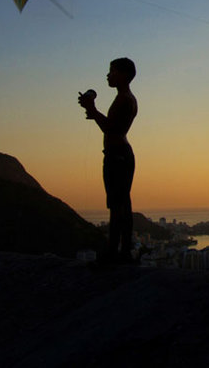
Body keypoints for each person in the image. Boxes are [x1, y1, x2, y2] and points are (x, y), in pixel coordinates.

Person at [78, 58, 138, 264]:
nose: (108, 75)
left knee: (117, 206)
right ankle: (123, 253)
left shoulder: (124, 99)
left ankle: (114, 254)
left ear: (122, 74)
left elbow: (112, 129)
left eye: (112, 71)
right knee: (123, 204)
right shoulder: (125, 98)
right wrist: (93, 112)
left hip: (118, 155)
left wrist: (92, 109)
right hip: (121, 154)